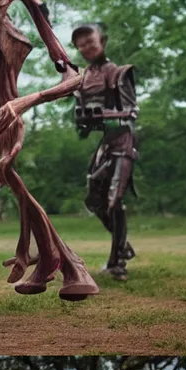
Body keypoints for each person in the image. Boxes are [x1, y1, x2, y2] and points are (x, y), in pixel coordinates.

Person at [70, 23, 138, 281]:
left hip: (123, 143)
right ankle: (123, 244)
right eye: (81, 44)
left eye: (91, 41)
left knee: (114, 201)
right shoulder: (83, 78)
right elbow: (82, 119)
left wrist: (99, 117)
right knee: (93, 200)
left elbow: (131, 111)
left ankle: (117, 262)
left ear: (103, 42)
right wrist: (84, 123)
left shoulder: (119, 73)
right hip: (106, 146)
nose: (87, 47)